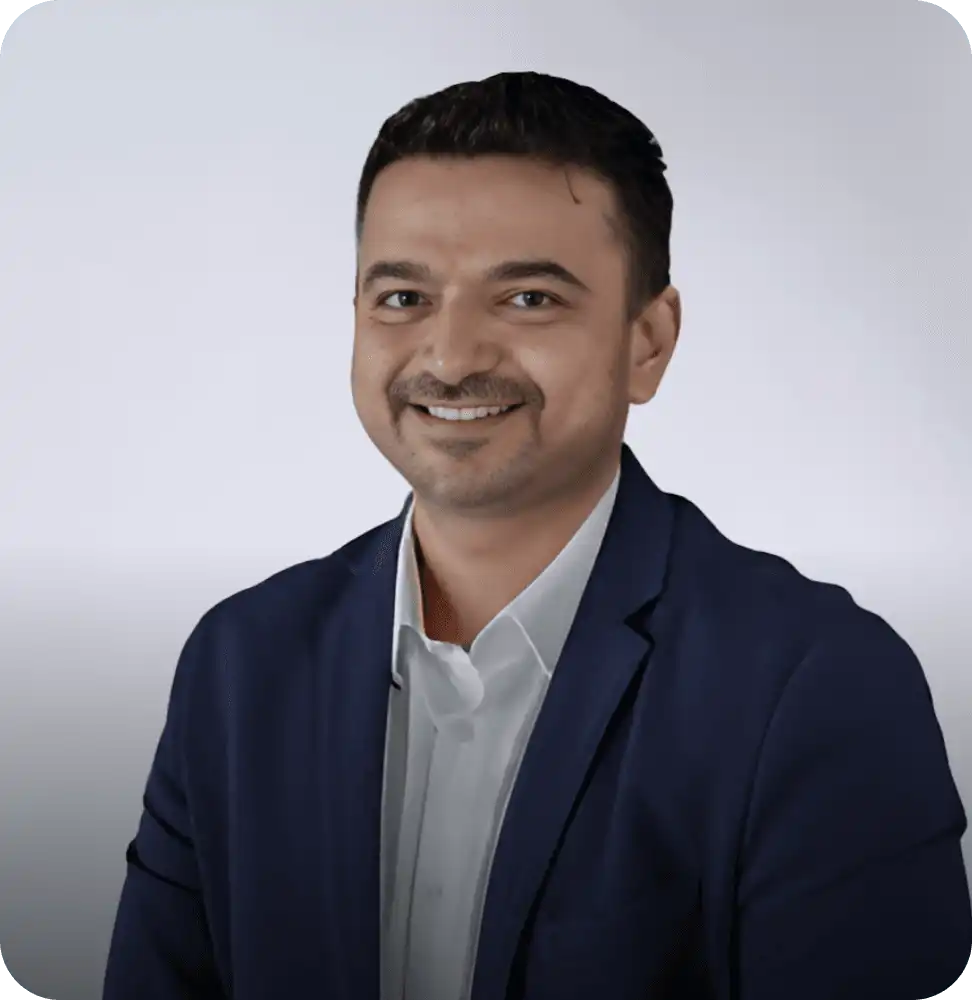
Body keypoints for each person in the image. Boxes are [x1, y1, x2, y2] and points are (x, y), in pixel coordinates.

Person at [102, 71, 972, 1000]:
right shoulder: (240, 665)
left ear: (647, 342)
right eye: (402, 297)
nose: (450, 357)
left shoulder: (819, 687)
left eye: (528, 299)